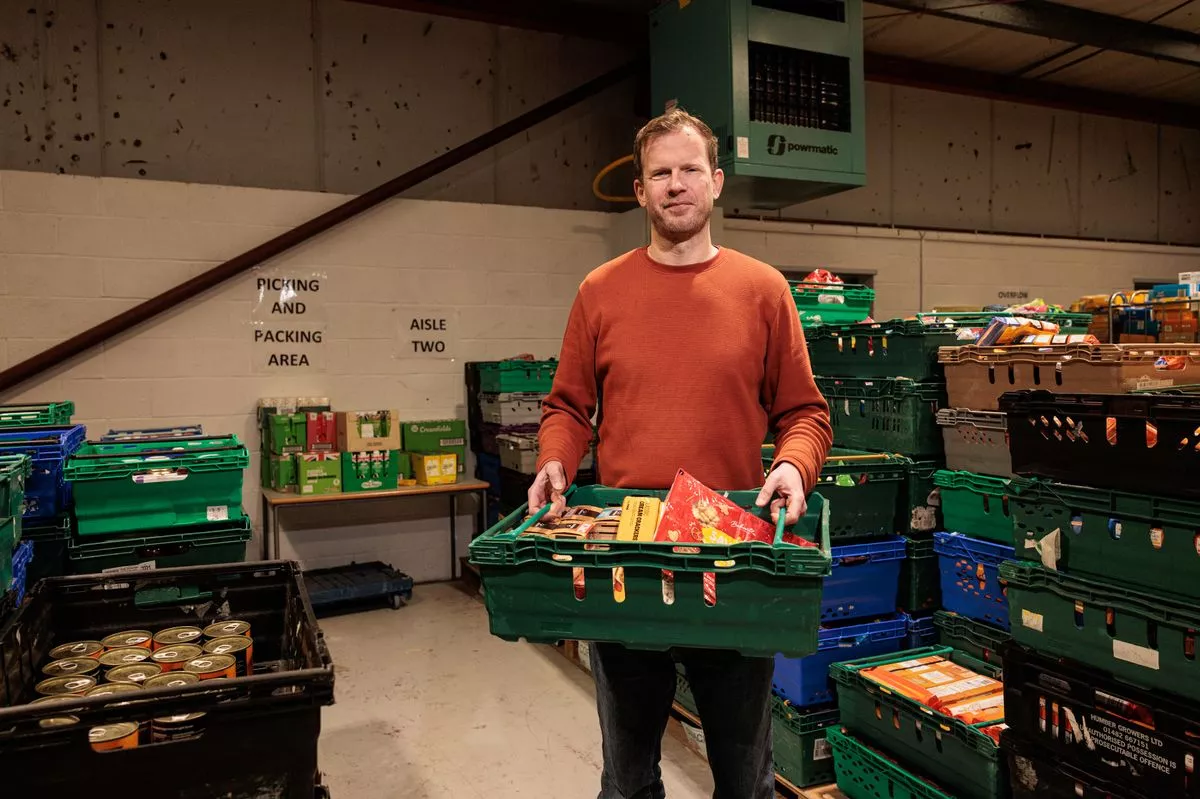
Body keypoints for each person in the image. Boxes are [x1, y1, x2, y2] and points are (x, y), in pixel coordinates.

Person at [527, 107, 833, 799]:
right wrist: (555, 457)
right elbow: (567, 406)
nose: (675, 185)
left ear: (716, 182)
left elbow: (804, 411)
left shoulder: (763, 291)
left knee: (744, 775)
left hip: (732, 555)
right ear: (639, 191)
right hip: (626, 558)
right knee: (628, 776)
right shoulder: (600, 291)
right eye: (659, 173)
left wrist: (791, 463)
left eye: (689, 169)